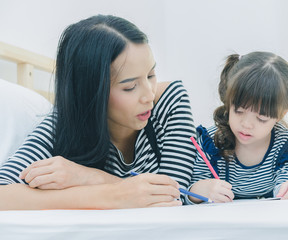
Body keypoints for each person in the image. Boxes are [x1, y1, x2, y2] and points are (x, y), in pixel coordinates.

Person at [0, 14, 196, 210]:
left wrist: (87, 177)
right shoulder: (61, 127)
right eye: (130, 87)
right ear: (90, 91)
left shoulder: (170, 101)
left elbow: (173, 197)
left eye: (151, 75)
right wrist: (111, 195)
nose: (149, 95)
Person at [186, 52, 288, 204]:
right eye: (239, 111)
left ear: (281, 114)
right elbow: (184, 191)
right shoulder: (209, 142)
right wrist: (198, 191)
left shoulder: (286, 143)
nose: (246, 125)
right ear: (229, 102)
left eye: (261, 118)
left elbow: (286, 185)